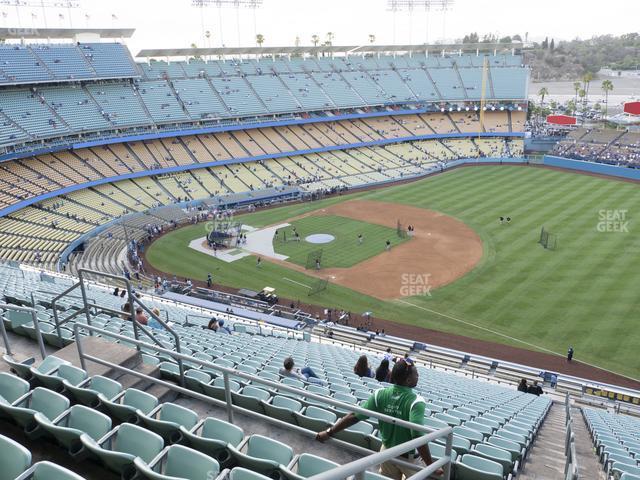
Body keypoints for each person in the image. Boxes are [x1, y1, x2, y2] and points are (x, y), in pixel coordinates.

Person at [317, 359, 443, 479]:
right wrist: (431, 465)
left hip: (386, 453)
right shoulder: (416, 401)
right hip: (408, 459)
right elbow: (417, 436)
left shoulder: (379, 394)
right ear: (409, 380)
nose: (418, 376)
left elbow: (354, 417)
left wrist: (329, 432)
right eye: (416, 374)